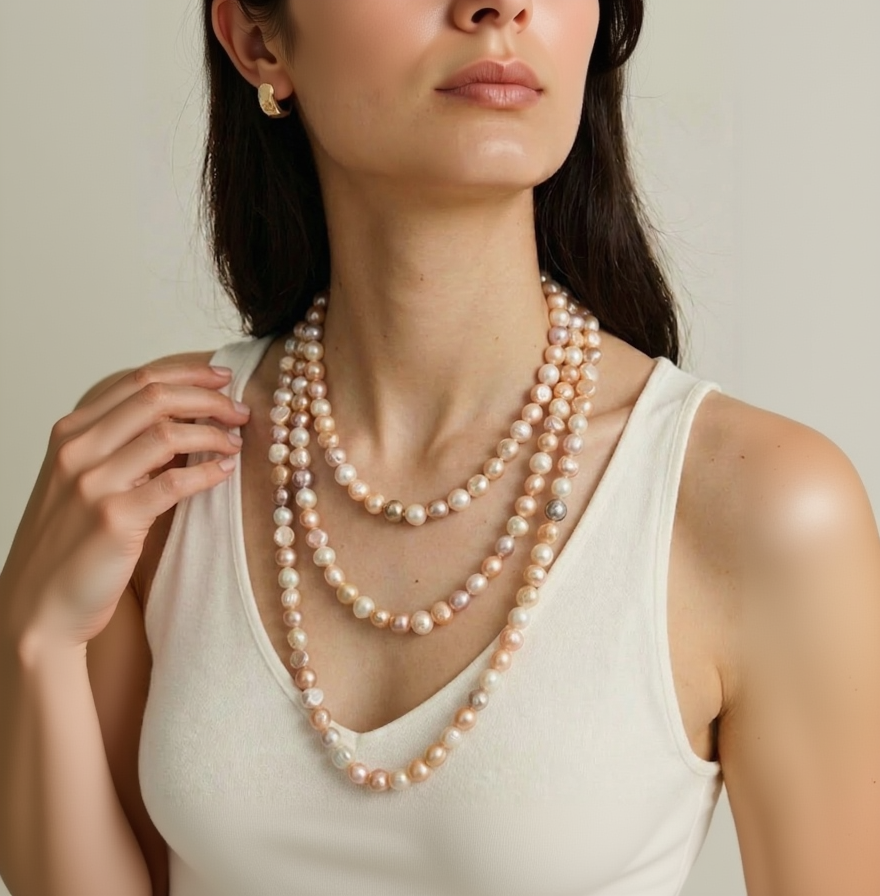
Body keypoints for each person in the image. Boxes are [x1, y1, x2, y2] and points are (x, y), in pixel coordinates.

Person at [1, 1, 878, 894]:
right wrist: (33, 641)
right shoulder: (156, 460)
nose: (496, 5)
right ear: (260, 42)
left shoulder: (758, 506)